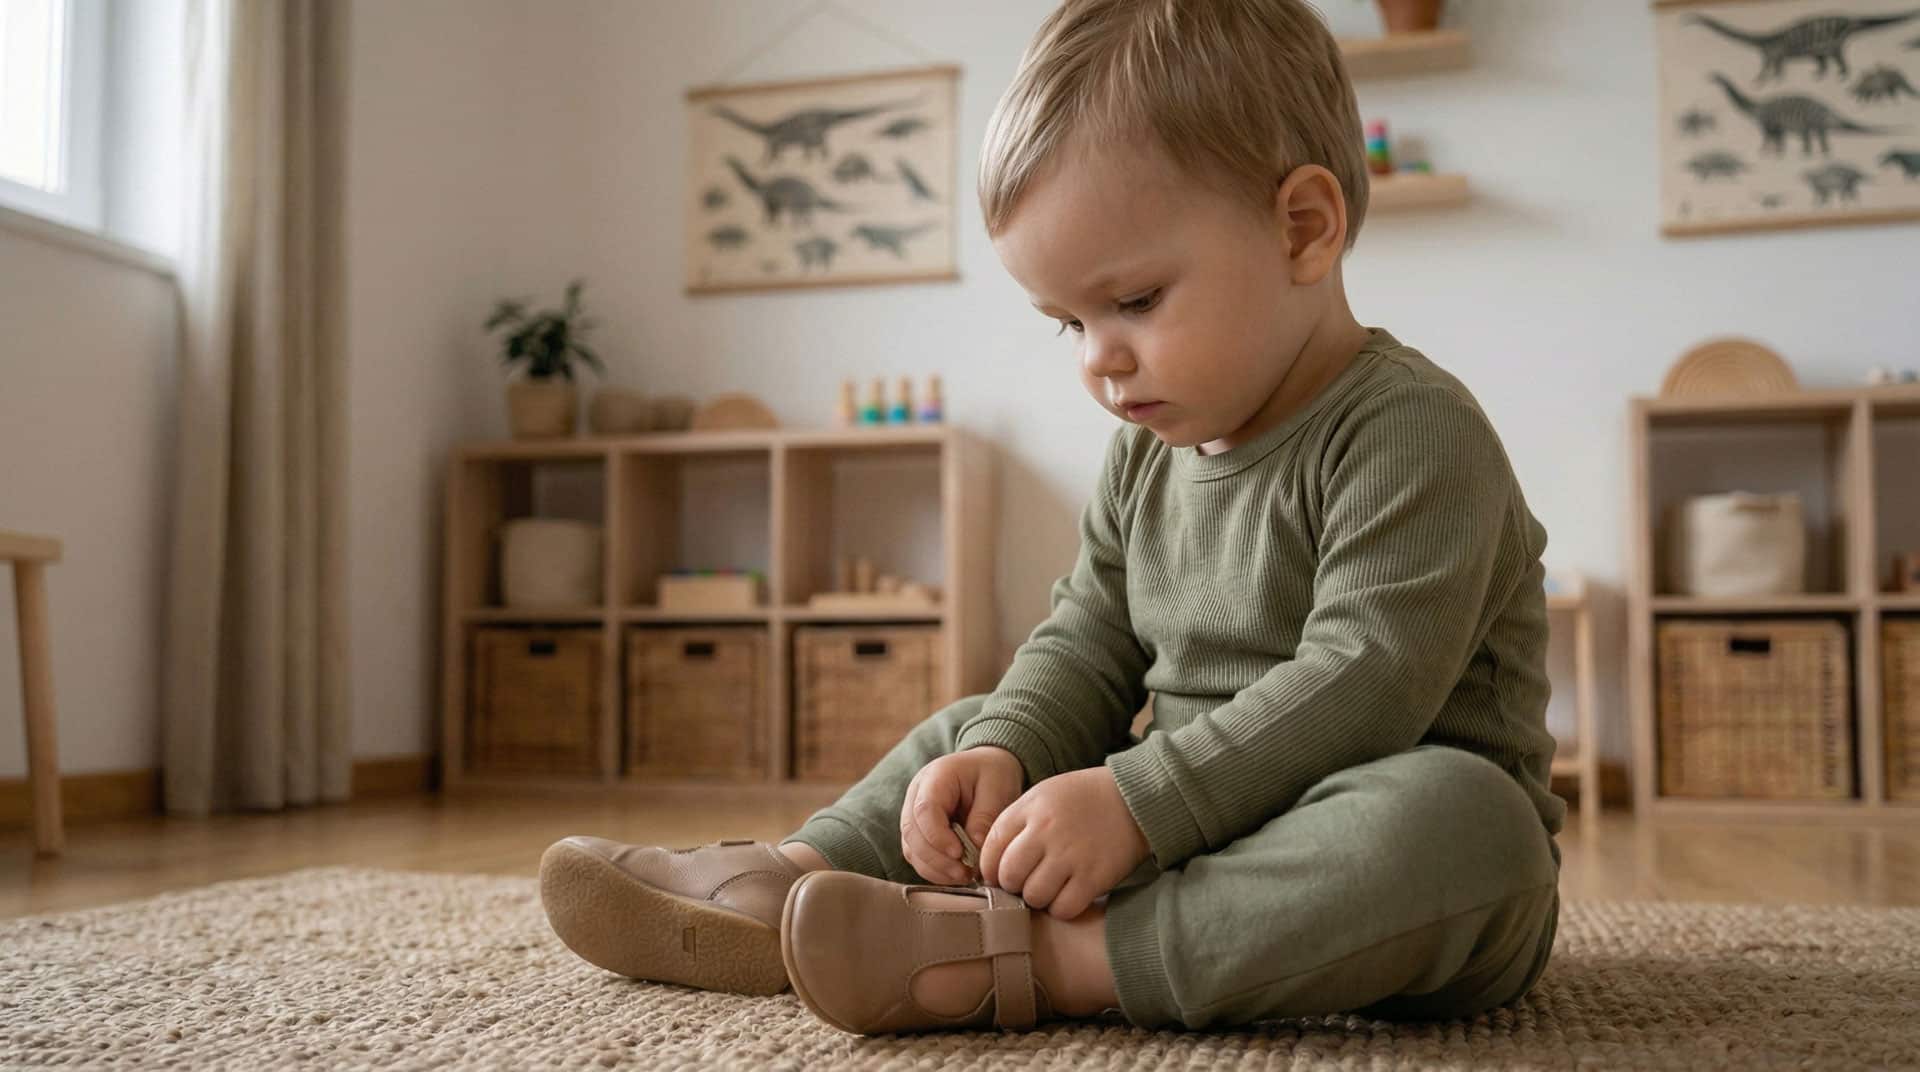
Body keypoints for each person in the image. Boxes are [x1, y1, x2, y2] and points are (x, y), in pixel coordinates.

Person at [538, 0, 1563, 1036]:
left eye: (1136, 301)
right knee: (972, 731)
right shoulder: (1147, 453)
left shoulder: (1410, 429)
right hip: (1180, 834)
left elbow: (1368, 680)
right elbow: (1087, 640)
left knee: (1468, 824)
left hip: (1381, 871)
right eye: (1068, 322)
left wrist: (1137, 803)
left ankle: (1038, 957)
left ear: (1303, 228)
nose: (1099, 360)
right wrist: (1009, 751)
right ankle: (791, 885)